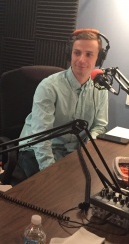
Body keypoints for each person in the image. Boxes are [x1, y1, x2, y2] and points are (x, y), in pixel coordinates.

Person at [13, 29, 109, 183]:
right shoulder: (49, 86)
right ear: (70, 54)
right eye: (77, 53)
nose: (81, 60)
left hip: (74, 152)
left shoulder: (100, 89)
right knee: (56, 193)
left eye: (89, 54)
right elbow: (40, 136)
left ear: (99, 58)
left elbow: (100, 125)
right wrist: (51, 173)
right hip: (37, 150)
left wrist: (89, 146)